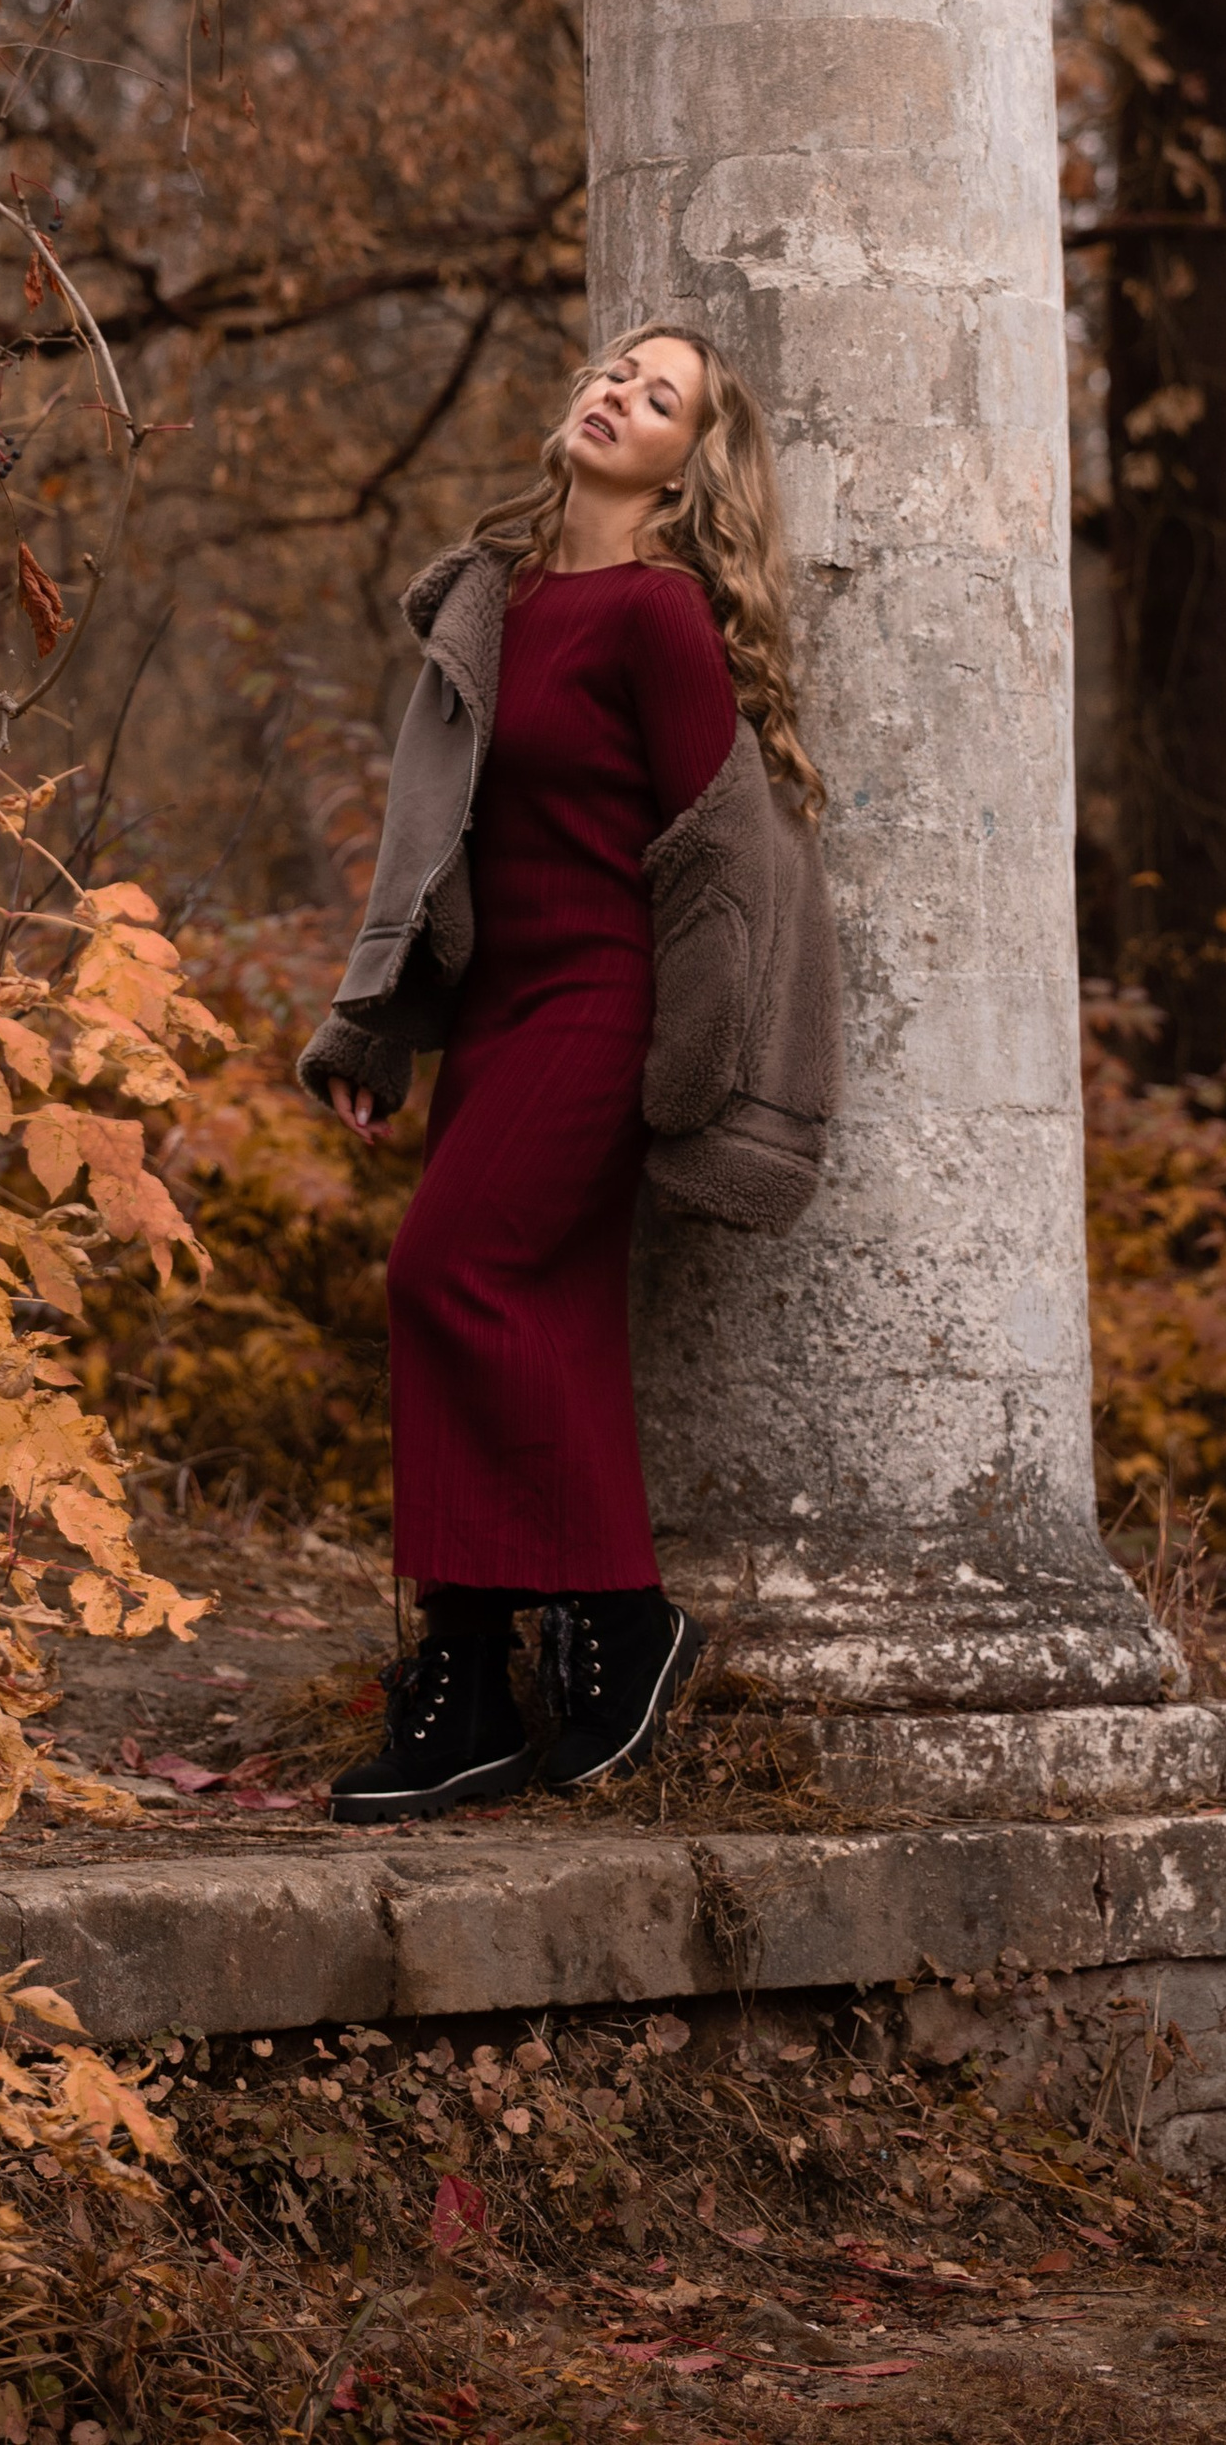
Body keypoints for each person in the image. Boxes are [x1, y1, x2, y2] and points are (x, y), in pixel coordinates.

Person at [299, 325, 843, 1824]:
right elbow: (431, 842)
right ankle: (481, 1686)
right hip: (495, 1008)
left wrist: (710, 1063)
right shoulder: (500, 593)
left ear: (689, 466)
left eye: (657, 397)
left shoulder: (659, 618)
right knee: (533, 1306)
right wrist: (376, 1022)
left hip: (605, 1009)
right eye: (614, 371)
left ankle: (603, 1614)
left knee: (441, 1272)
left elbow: (735, 850)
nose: (616, 394)